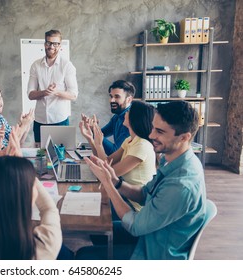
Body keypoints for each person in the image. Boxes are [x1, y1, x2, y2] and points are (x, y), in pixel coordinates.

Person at [77, 101, 207, 260]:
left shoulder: (181, 185)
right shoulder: (173, 161)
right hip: (151, 232)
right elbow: (145, 193)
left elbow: (134, 226)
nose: (151, 135)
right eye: (153, 128)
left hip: (155, 251)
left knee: (83, 256)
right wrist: (115, 182)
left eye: (159, 131)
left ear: (184, 137)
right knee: (97, 233)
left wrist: (108, 184)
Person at [87, 100, 156, 212]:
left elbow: (110, 172)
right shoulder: (129, 140)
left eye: (129, 112)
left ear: (136, 118)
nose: (126, 113)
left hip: (134, 205)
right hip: (124, 196)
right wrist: (91, 139)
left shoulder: (142, 145)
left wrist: (99, 144)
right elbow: (108, 161)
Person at [27, 29, 78, 143]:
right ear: (45, 44)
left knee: (61, 156)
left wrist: (56, 92)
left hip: (60, 120)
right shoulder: (36, 65)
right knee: (40, 155)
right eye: (49, 43)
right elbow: (30, 94)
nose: (51, 46)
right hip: (40, 121)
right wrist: (45, 92)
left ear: (60, 46)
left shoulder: (67, 66)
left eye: (55, 43)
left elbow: (73, 95)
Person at [80, 80, 135, 155]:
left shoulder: (130, 121)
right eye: (111, 96)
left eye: (117, 97)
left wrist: (95, 129)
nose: (112, 100)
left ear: (129, 99)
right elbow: (101, 134)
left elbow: (114, 152)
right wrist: (92, 127)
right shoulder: (116, 117)